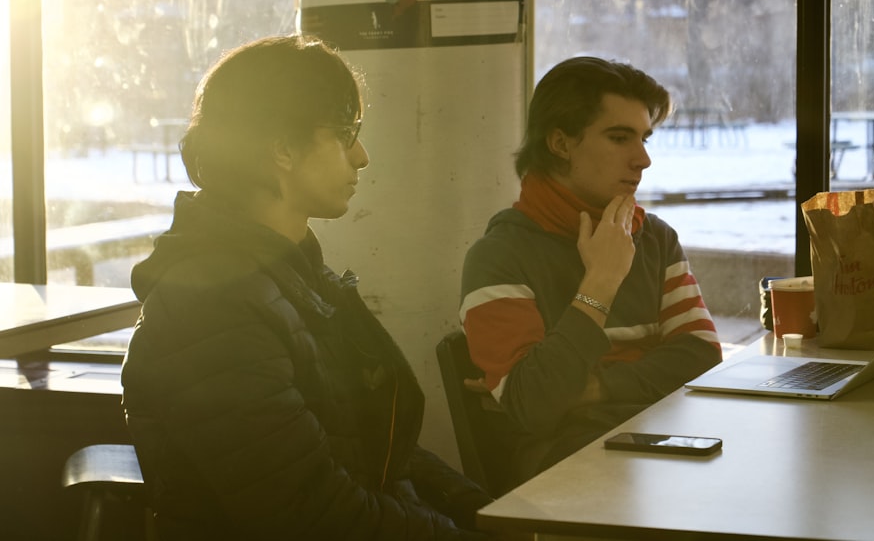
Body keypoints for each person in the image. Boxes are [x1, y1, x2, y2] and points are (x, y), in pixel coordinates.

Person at [121, 35, 494, 540]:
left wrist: (493, 516)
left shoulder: (292, 274)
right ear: (282, 148)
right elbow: (312, 513)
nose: (361, 156)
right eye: (345, 134)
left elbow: (381, 451)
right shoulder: (212, 306)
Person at [459, 56, 722, 484]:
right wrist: (601, 282)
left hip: (662, 444)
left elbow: (701, 356)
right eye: (619, 138)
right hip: (568, 471)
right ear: (560, 144)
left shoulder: (655, 237)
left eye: (645, 139)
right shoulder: (499, 256)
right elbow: (536, 404)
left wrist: (596, 387)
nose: (642, 160)